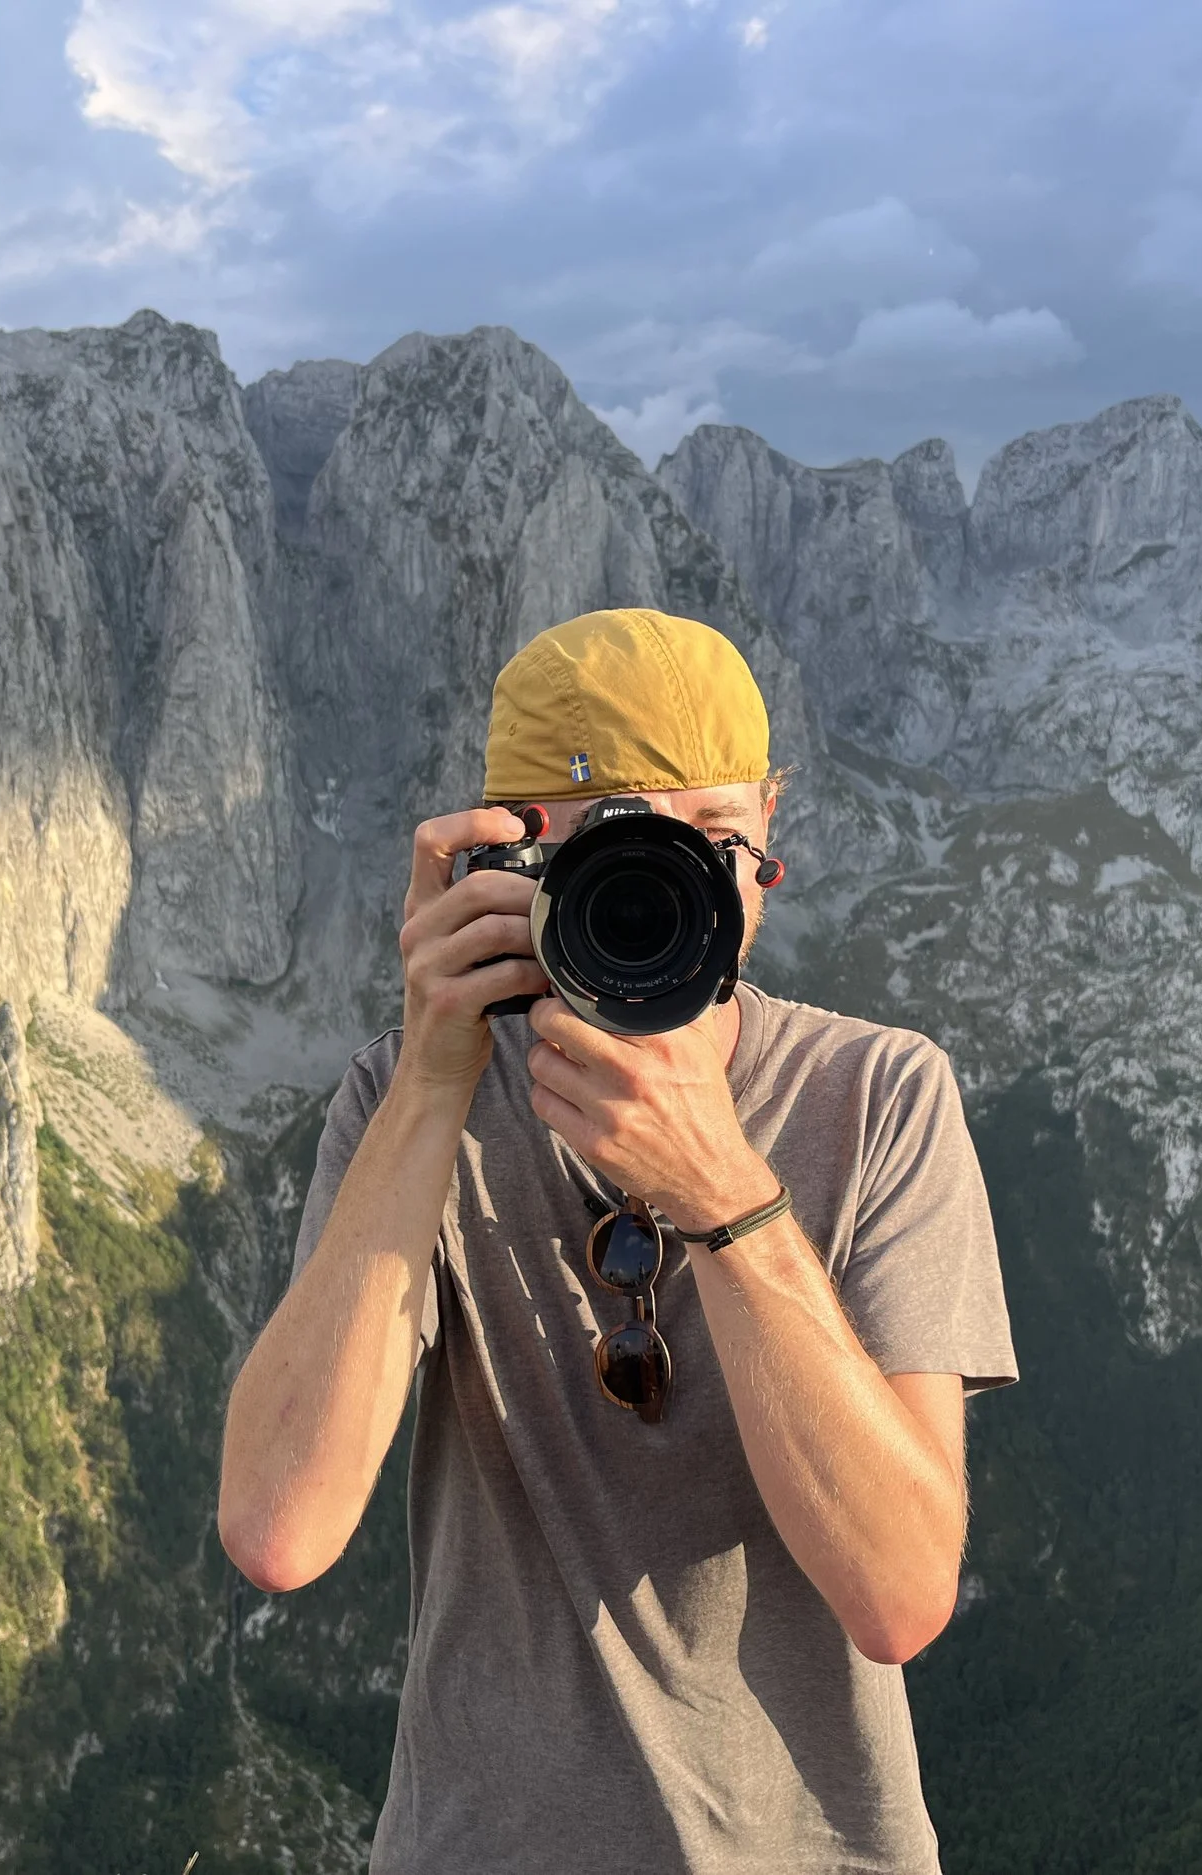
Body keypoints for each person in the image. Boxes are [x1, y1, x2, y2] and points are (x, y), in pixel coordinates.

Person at [218, 608, 1017, 1873]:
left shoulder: (881, 1096)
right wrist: (433, 1076)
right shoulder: (407, 1100)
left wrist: (725, 1195)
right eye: (603, 848)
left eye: (706, 840)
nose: (659, 888)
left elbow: (900, 1593)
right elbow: (277, 1528)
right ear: (501, 861)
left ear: (767, 851)